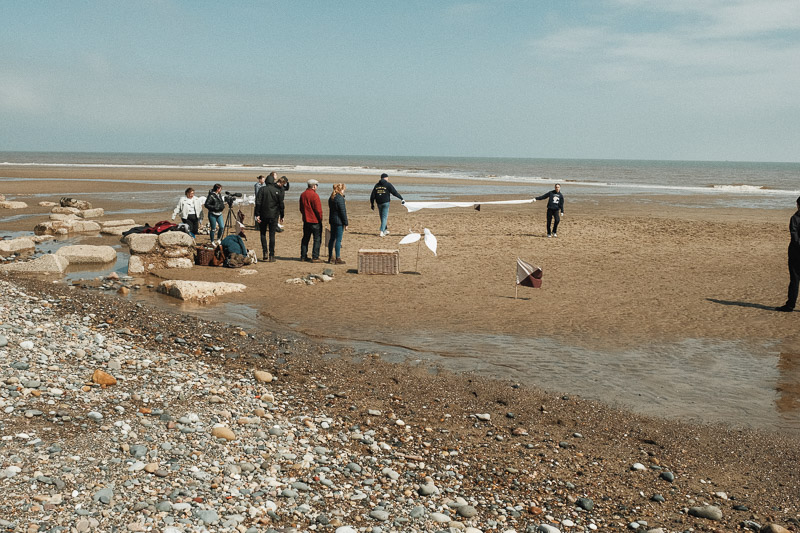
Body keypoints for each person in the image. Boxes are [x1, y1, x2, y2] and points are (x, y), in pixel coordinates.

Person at [776, 196, 800, 312]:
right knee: (794, 280)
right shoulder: (794, 218)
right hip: (795, 253)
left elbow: (795, 238)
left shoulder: (795, 218)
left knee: (794, 280)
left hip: (796, 254)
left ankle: (790, 305)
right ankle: (790, 305)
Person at [254, 174, 284, 262]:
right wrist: (282, 215)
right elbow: (281, 204)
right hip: (273, 216)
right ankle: (271, 255)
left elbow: (258, 202)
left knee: (263, 234)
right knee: (272, 235)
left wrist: (257, 214)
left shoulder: (262, 190)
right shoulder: (276, 190)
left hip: (264, 215)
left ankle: (265, 253)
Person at [370, 172, 404, 237]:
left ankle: (385, 230)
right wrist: (401, 198)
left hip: (379, 203)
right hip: (385, 202)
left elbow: (372, 196)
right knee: (384, 217)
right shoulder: (388, 184)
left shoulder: (377, 185)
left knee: (382, 217)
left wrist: (372, 204)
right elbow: (395, 192)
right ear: (386, 178)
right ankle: (381, 231)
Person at [299, 179, 323, 262]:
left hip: (306, 220)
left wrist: (304, 215)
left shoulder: (303, 195)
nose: (317, 187)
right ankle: (315, 257)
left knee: (306, 238)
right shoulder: (314, 196)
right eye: (316, 185)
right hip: (314, 221)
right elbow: (318, 210)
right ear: (313, 186)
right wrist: (320, 219)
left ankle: (303, 256)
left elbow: (301, 208)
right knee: (317, 239)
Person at [328, 183, 349, 264]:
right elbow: (343, 212)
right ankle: (337, 258)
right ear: (341, 189)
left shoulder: (331, 197)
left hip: (332, 220)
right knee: (338, 240)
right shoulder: (340, 198)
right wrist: (346, 223)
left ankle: (330, 257)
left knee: (332, 238)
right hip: (339, 221)